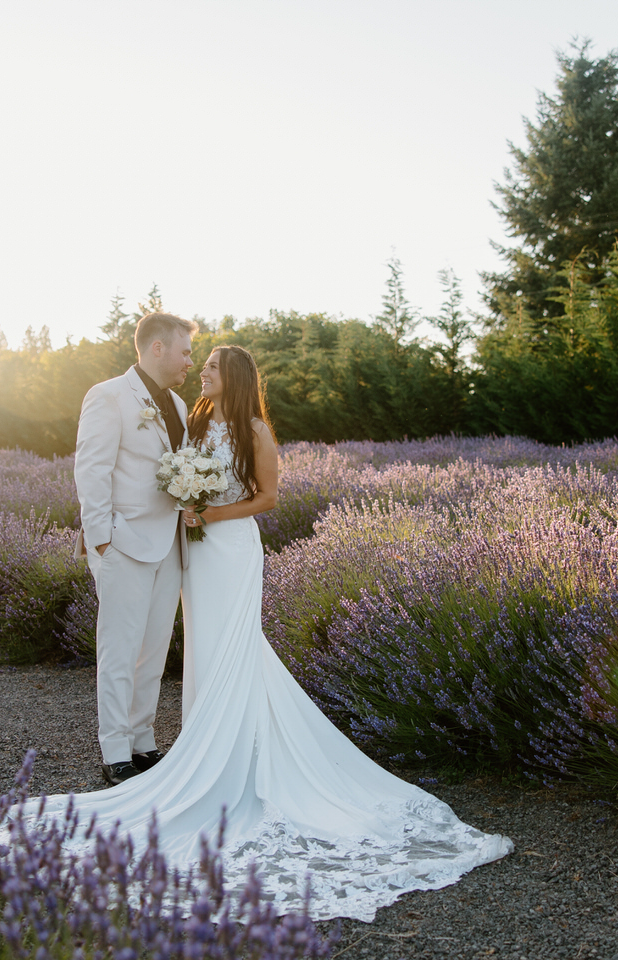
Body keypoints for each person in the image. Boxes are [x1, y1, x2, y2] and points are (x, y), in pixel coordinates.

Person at [27, 344, 513, 923]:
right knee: (203, 647)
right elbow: (138, 472)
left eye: (208, 366)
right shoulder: (196, 415)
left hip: (229, 549)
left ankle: (235, 753)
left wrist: (208, 514)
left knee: (235, 646)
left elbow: (268, 498)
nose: (198, 370)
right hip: (193, 554)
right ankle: (196, 746)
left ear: (230, 375)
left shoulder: (254, 427)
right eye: (195, 360)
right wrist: (124, 517)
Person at [73, 311, 196, 785]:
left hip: (170, 545)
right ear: (158, 348)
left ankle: (143, 738)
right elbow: (91, 471)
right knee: (120, 648)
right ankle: (114, 747)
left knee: (154, 648)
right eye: (184, 351)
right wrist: (101, 539)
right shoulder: (108, 396)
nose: (190, 360)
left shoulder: (180, 407)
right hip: (123, 543)